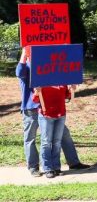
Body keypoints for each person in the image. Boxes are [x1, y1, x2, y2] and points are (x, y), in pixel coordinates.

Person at [16, 47, 91, 177]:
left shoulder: (47, 68)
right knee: (31, 138)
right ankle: (34, 167)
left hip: (51, 109)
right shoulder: (27, 66)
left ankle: (73, 162)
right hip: (31, 108)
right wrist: (25, 52)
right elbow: (19, 72)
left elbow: (61, 81)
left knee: (64, 135)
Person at [34, 83, 73, 179]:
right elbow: (35, 100)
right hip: (46, 115)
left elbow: (67, 96)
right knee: (46, 142)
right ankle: (48, 168)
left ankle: (56, 167)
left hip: (61, 115)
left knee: (57, 142)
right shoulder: (41, 81)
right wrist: (36, 92)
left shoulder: (61, 81)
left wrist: (72, 89)